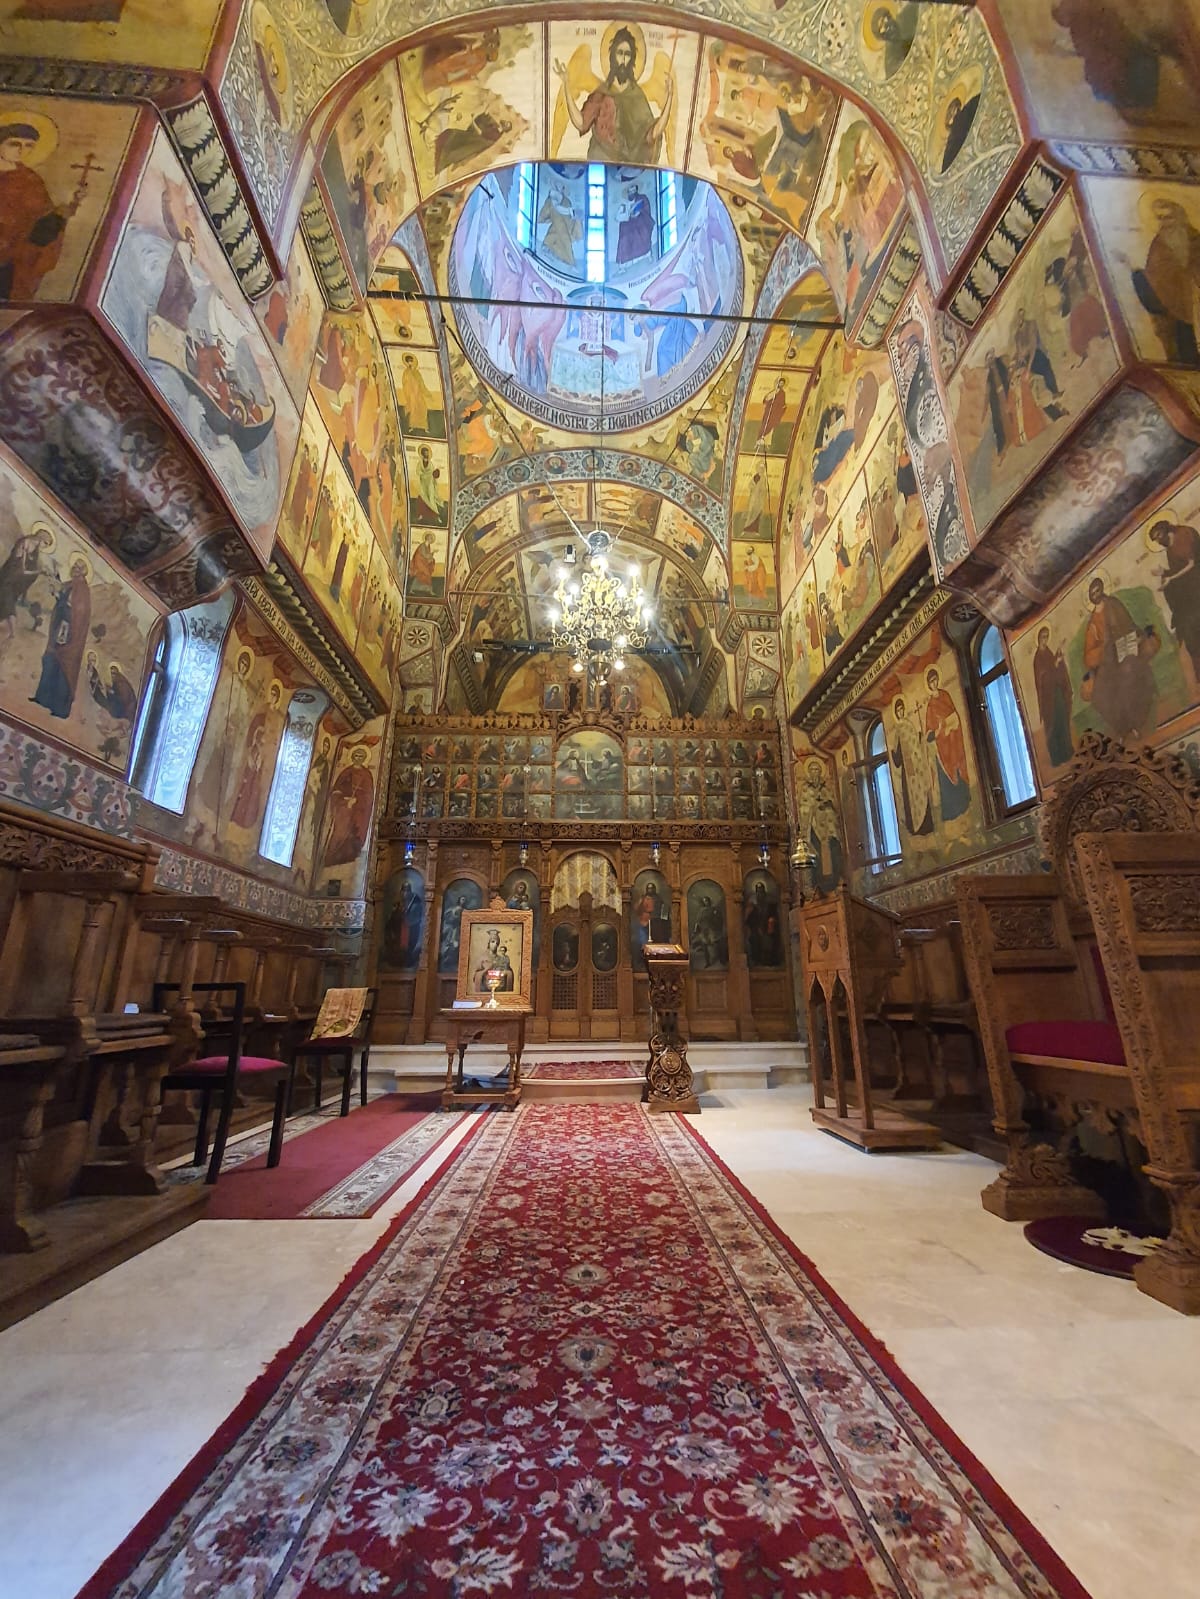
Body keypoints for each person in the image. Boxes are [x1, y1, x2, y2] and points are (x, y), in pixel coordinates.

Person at [553, 27, 674, 165]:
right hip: (600, 164)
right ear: (613, 56)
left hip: (627, 170)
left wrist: (670, 96)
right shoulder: (602, 93)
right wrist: (567, 85)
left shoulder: (636, 96)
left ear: (632, 59)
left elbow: (653, 133)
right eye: (620, 53)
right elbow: (581, 123)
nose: (623, 59)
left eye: (627, 54)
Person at [0, 119, 70, 302]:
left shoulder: (32, 181)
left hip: (12, 262)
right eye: (14, 144)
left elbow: (40, 221)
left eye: (29, 146)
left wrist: (57, 218)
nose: (22, 151)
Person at [1081, 577, 1158, 740]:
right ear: (1089, 597)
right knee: (1100, 695)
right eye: (1092, 593)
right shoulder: (1093, 623)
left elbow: (1128, 625)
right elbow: (1089, 656)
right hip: (1107, 663)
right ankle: (1122, 728)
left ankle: (1136, 723)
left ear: (1102, 589)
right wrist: (1103, 649)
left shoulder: (1114, 604)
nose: (1095, 594)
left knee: (1129, 675)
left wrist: (1135, 638)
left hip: (1124, 653)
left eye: (1097, 590)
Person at [31, 553, 90, 719]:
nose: (74, 570)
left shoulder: (82, 590)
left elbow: (80, 612)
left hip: (70, 633)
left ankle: (59, 708)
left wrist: (68, 607)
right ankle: (43, 698)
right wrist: (58, 596)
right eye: (74, 567)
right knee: (50, 659)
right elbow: (63, 601)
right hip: (60, 627)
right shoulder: (70, 585)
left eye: (78, 568)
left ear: (83, 572)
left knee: (64, 669)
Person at [1150, 517, 1200, 681]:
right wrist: (1164, 573)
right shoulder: (1169, 549)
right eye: (1156, 539)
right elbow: (1178, 571)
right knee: (1187, 627)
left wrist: (1170, 578)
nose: (1158, 541)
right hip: (1190, 590)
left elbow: (1191, 564)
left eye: (1158, 536)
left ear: (1166, 530)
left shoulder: (1182, 534)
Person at [923, 668, 971, 823]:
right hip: (941, 746)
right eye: (931, 681)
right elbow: (928, 732)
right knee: (945, 777)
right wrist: (936, 730)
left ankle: (964, 801)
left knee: (958, 766)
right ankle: (951, 811)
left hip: (953, 739)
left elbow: (954, 712)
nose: (934, 683)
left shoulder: (945, 695)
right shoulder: (930, 705)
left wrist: (951, 722)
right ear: (929, 684)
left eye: (935, 679)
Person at [320, 746, 376, 869]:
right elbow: (336, 790)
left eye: (361, 757)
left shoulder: (366, 774)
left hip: (358, 810)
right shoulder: (346, 772)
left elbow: (369, 795)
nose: (358, 759)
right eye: (356, 756)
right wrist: (343, 799)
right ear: (352, 757)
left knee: (354, 832)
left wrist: (357, 800)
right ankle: (332, 856)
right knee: (340, 831)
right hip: (343, 808)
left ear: (365, 758)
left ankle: (350, 854)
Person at [890, 696, 933, 836]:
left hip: (916, 766)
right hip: (907, 770)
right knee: (909, 797)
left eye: (902, 709)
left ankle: (926, 825)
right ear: (896, 713)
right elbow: (897, 757)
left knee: (920, 792)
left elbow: (916, 744)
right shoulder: (898, 730)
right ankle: (914, 828)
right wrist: (893, 753)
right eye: (898, 710)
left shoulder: (909, 725)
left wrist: (920, 737)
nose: (901, 712)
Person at [1032, 626, 1074, 768]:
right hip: (1048, 700)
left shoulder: (1048, 652)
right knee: (1053, 725)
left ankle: (1066, 752)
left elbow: (1054, 667)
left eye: (1047, 636)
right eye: (1043, 637)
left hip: (1057, 694)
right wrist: (1054, 664)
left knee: (1062, 721)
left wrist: (1058, 657)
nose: (1045, 639)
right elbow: (1042, 678)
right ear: (1038, 639)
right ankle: (1056, 757)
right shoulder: (1038, 658)